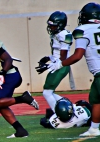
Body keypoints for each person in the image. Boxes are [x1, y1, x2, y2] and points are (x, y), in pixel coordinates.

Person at [47, 2, 100, 136]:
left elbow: (77, 55)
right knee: (95, 100)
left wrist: (61, 64)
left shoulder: (83, 30)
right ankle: (94, 129)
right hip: (98, 75)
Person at [35, 11, 73, 112]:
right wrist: (48, 58)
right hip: (58, 64)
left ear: (60, 25)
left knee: (47, 92)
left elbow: (63, 57)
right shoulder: (57, 34)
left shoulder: (64, 35)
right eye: (50, 25)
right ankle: (69, 107)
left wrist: (49, 66)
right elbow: (57, 54)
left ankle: (59, 114)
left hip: (61, 66)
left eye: (54, 26)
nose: (51, 28)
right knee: (48, 92)